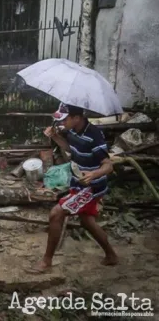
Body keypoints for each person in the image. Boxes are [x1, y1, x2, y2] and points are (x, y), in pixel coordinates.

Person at [28, 103, 118, 274]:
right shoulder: (73, 131)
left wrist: (94, 174)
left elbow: (108, 166)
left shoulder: (94, 135)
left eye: (65, 119)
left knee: (56, 213)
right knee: (86, 221)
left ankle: (46, 262)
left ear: (77, 118)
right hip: (78, 183)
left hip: (90, 187)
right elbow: (72, 149)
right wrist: (55, 136)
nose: (62, 123)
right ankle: (111, 255)